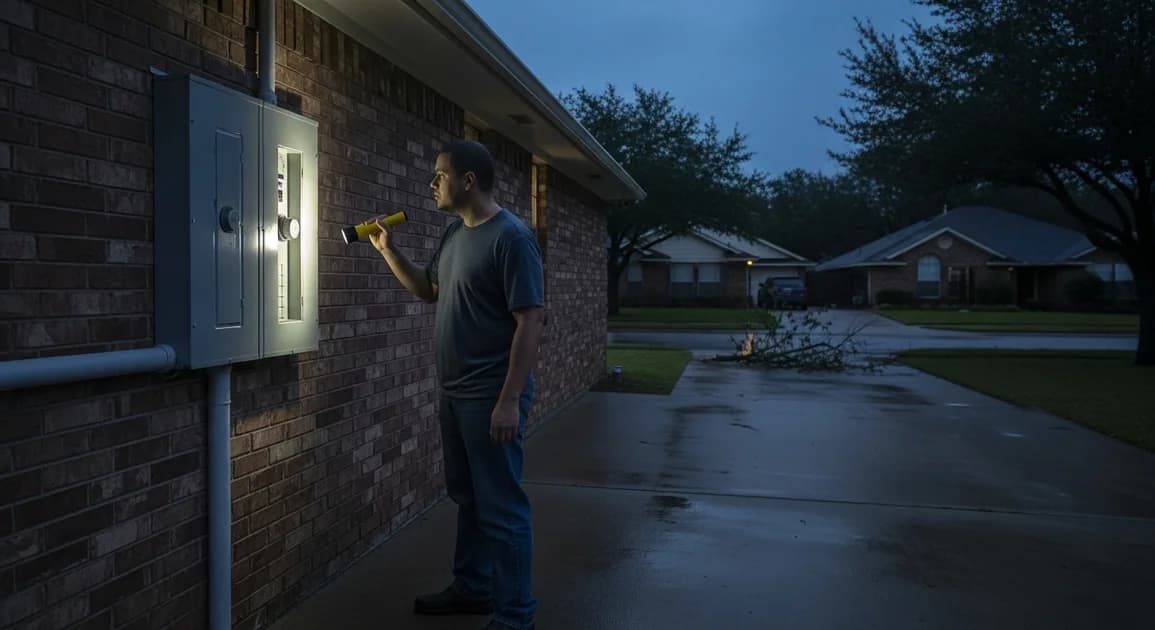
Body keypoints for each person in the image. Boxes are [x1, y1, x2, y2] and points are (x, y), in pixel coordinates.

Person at [368, 140, 544, 630]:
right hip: (454, 390)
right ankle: (473, 589)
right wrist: (388, 250)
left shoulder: (511, 238)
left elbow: (531, 321)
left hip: (490, 395)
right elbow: (429, 291)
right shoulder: (453, 234)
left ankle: (515, 617)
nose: (432, 183)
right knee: (468, 497)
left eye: (439, 174)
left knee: (502, 508)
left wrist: (509, 401)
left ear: (468, 181)